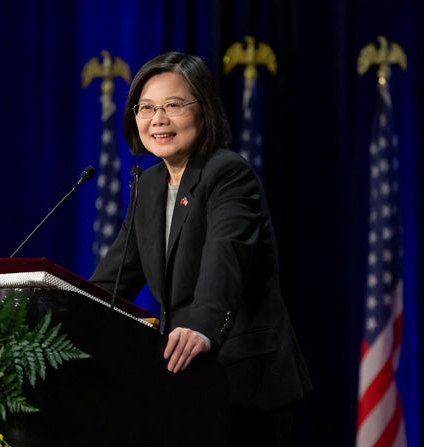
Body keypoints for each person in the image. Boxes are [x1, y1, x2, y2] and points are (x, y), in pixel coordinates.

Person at [89, 51, 311, 445]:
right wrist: (56, 321)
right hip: (185, 385)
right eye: (146, 108)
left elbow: (226, 256)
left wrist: (201, 326)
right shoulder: (150, 186)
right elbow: (112, 280)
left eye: (173, 105)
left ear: (203, 109)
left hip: (246, 386)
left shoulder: (227, 173)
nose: (158, 119)